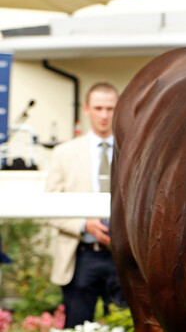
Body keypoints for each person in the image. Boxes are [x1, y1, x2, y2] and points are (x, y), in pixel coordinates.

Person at [45, 83, 125, 329]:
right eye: (98, 108)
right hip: (81, 256)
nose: (104, 115)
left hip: (123, 257)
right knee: (77, 325)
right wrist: (84, 224)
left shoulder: (133, 152)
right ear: (87, 109)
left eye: (110, 108)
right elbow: (50, 206)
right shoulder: (64, 153)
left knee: (127, 323)